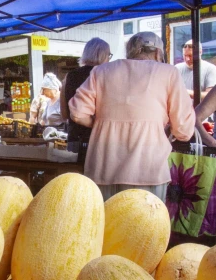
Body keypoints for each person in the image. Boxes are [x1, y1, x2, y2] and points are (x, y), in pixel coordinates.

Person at [69, 31, 195, 201]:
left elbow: (77, 114)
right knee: (146, 225)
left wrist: (102, 124)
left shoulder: (101, 71)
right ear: (158, 53)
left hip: (103, 167)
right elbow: (184, 130)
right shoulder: (169, 72)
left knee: (105, 225)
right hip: (148, 169)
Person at [60, 37, 111, 144]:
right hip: (99, 138)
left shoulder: (69, 76)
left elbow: (64, 114)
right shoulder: (106, 76)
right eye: (109, 55)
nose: (109, 59)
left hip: (75, 137)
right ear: (103, 56)